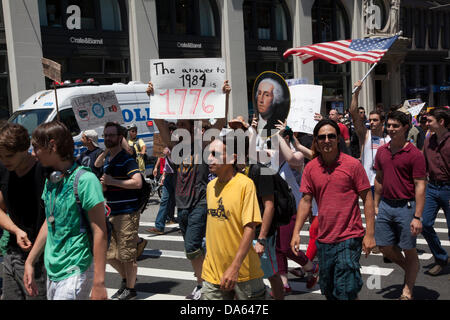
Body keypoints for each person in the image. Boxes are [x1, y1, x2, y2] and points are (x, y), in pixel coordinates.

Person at [148, 80, 231, 300]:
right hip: (181, 205)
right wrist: (153, 96)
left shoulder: (203, 145)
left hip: (200, 203)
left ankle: (205, 284)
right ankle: (204, 281)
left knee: (192, 246)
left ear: (192, 127)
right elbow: (159, 123)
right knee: (192, 248)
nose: (177, 127)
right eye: (177, 124)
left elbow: (221, 122)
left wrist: (225, 96)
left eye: (182, 123)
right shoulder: (175, 148)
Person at [291, 119, 376, 300]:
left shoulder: (353, 165)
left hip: (349, 237)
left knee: (345, 289)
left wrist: (370, 234)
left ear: (338, 139)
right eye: (322, 137)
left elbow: (367, 198)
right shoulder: (311, 168)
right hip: (324, 239)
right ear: (316, 141)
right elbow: (306, 201)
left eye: (331, 136)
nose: (327, 140)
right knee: (330, 291)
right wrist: (296, 231)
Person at [23, 121, 108, 300]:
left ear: (52, 145)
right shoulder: (51, 180)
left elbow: (100, 230)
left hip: (76, 269)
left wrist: (99, 282)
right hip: (53, 270)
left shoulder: (86, 180)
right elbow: (50, 221)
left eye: (36, 147)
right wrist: (30, 261)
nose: (33, 153)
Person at [201, 133, 266, 300]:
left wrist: (235, 267)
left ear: (232, 158)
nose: (209, 158)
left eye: (215, 154)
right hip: (212, 273)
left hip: (244, 273)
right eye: (208, 153)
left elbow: (250, 228)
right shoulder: (210, 186)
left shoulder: (245, 185)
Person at [373, 111, 427, 300]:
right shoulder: (381, 151)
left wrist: (417, 217)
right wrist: (376, 204)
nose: (390, 129)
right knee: (383, 245)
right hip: (386, 205)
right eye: (389, 125)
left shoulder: (414, 154)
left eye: (395, 126)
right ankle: (410, 267)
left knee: (408, 247)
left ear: (406, 128)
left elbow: (420, 185)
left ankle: (408, 289)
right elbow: (379, 179)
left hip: (406, 206)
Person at [0, 123, 47, 300]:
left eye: (9, 156)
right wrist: (15, 229)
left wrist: (32, 259)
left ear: (25, 149)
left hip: (39, 258)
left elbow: (54, 218)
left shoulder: (43, 171)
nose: (5, 161)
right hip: (12, 253)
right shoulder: (4, 170)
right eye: (1, 156)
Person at [97, 122, 143, 300]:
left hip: (127, 212)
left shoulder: (126, 158)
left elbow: (137, 182)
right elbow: (107, 182)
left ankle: (130, 289)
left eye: (111, 135)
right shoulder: (109, 161)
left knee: (127, 255)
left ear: (119, 137)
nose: (107, 138)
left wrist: (111, 181)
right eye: (105, 135)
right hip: (112, 211)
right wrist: (104, 186)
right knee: (108, 254)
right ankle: (127, 279)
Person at [422, 107, 450, 276]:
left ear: (441, 122)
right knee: (424, 224)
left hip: (449, 188)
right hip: (432, 187)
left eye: (430, 120)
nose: (427, 124)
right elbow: (422, 163)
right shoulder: (428, 140)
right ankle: (440, 258)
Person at [350, 81, 390, 196]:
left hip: (384, 183)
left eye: (375, 120)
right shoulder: (365, 134)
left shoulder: (389, 139)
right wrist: (356, 93)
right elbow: (353, 113)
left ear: (382, 122)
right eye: (370, 120)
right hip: (367, 183)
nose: (371, 122)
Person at [147, 125, 178, 234]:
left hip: (178, 175)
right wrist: (163, 174)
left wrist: (171, 154)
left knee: (180, 201)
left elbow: (181, 162)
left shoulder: (178, 143)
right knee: (164, 200)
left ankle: (185, 225)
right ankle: (159, 226)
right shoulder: (164, 142)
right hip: (169, 175)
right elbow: (164, 161)